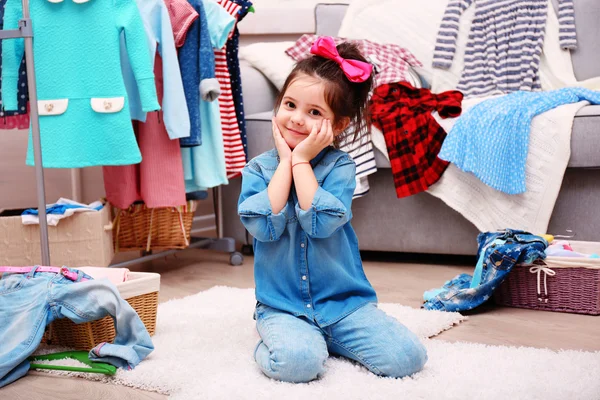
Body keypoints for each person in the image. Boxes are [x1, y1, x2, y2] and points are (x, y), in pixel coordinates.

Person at [237, 36, 427, 383]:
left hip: (343, 305)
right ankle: (284, 341)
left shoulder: (340, 168)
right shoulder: (258, 170)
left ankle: (329, 338)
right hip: (284, 308)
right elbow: (262, 228)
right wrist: (285, 164)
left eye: (314, 113)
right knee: (298, 365)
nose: (296, 119)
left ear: (337, 126)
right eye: (290, 105)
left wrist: (302, 163)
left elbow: (321, 224)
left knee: (407, 358)